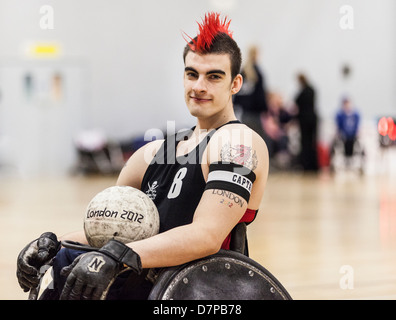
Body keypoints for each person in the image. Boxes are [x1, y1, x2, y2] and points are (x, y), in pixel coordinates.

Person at [16, 12, 269, 300]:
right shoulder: (150, 154)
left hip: (197, 292)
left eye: (214, 76)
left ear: (235, 84)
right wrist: (52, 246)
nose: (199, 86)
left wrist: (121, 255)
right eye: (191, 74)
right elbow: (108, 230)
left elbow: (207, 236)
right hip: (139, 283)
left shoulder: (239, 142)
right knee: (60, 267)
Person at [233, 46, 269, 144]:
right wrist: (265, 109)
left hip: (244, 114)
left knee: (246, 143)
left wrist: (235, 104)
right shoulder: (258, 73)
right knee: (259, 144)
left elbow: (236, 91)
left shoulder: (243, 72)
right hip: (254, 114)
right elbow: (260, 94)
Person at [294, 73, 318, 172]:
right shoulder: (312, 90)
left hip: (305, 121)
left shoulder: (303, 92)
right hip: (312, 120)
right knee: (312, 142)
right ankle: (312, 165)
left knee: (305, 143)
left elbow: (297, 102)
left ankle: (306, 165)